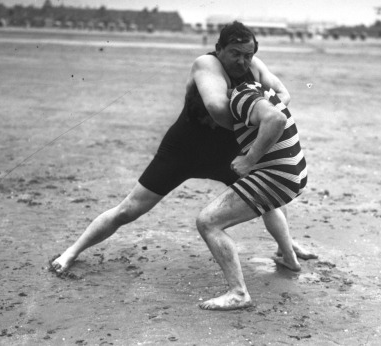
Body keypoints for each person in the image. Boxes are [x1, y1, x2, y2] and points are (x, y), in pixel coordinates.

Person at [49, 21, 316, 285]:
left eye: (248, 54)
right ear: (219, 49)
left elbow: (283, 94)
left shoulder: (253, 65)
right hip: (185, 148)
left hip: (228, 153)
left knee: (268, 201)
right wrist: (258, 110)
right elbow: (217, 108)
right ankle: (72, 251)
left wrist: (264, 109)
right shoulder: (206, 64)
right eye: (235, 54)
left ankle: (287, 250)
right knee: (129, 210)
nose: (242, 62)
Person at [196, 80, 307, 311]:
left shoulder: (239, 95)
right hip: (296, 171)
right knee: (266, 205)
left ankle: (238, 293)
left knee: (208, 222)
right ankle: (289, 258)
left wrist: (248, 160)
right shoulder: (259, 88)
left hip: (278, 176)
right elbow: (284, 96)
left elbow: (276, 119)